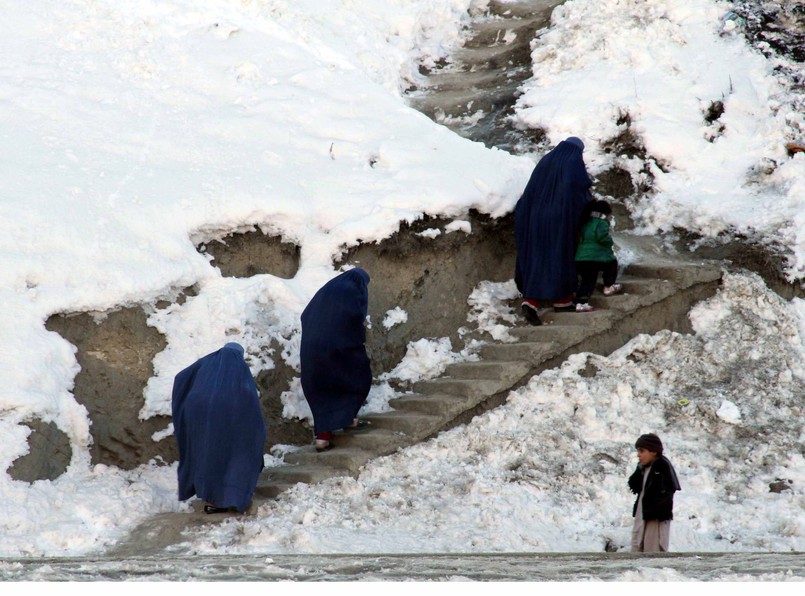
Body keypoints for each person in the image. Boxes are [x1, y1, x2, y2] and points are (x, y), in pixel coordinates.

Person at [171, 342, 267, 514]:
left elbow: (180, 377)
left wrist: (187, 397)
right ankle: (229, 497)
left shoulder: (207, 363)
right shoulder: (239, 370)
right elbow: (250, 405)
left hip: (196, 413)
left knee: (206, 453)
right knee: (235, 453)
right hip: (227, 414)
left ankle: (209, 495)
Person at [515, 136, 592, 326]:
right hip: (560, 220)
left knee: (537, 257)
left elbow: (530, 192)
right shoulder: (573, 162)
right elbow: (579, 190)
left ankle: (530, 302)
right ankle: (563, 300)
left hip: (535, 219)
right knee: (561, 256)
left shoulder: (546, 161)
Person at [300, 267, 373, 452]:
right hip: (337, 346)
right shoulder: (351, 289)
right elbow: (354, 317)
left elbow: (306, 316)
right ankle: (351, 420)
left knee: (323, 390)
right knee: (357, 377)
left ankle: (322, 439)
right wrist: (357, 337)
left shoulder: (326, 293)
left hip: (311, 351)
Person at [628, 433, 681, 552]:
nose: (638, 455)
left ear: (653, 451)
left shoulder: (662, 468)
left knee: (653, 552)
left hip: (655, 519)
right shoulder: (645, 468)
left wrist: (652, 512)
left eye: (642, 451)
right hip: (643, 516)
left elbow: (664, 495)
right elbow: (635, 486)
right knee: (638, 547)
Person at [574, 199, 622, 311]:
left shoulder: (585, 222)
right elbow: (602, 237)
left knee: (587, 280)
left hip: (581, 259)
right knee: (611, 263)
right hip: (595, 258)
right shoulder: (601, 223)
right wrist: (610, 241)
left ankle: (581, 303)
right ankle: (608, 286)